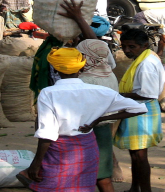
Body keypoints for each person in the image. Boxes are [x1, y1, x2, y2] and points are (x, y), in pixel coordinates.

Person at [17, 47, 146, 192]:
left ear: (54, 68)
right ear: (82, 67)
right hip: (87, 147)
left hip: (59, 150)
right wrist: (98, 119)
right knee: (82, 187)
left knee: (53, 187)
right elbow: (139, 108)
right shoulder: (99, 91)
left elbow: (47, 134)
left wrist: (36, 163)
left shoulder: (48, 93)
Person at [114, 28, 165, 192]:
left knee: (140, 156)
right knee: (135, 155)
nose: (127, 50)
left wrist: (117, 95)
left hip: (142, 110)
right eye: (124, 47)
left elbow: (146, 94)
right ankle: (135, 188)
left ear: (144, 45)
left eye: (132, 47)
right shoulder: (145, 58)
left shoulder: (146, 64)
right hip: (138, 108)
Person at [76, 39, 122, 192]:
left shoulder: (85, 79)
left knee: (92, 174)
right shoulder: (109, 74)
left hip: (88, 130)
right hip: (104, 128)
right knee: (103, 175)